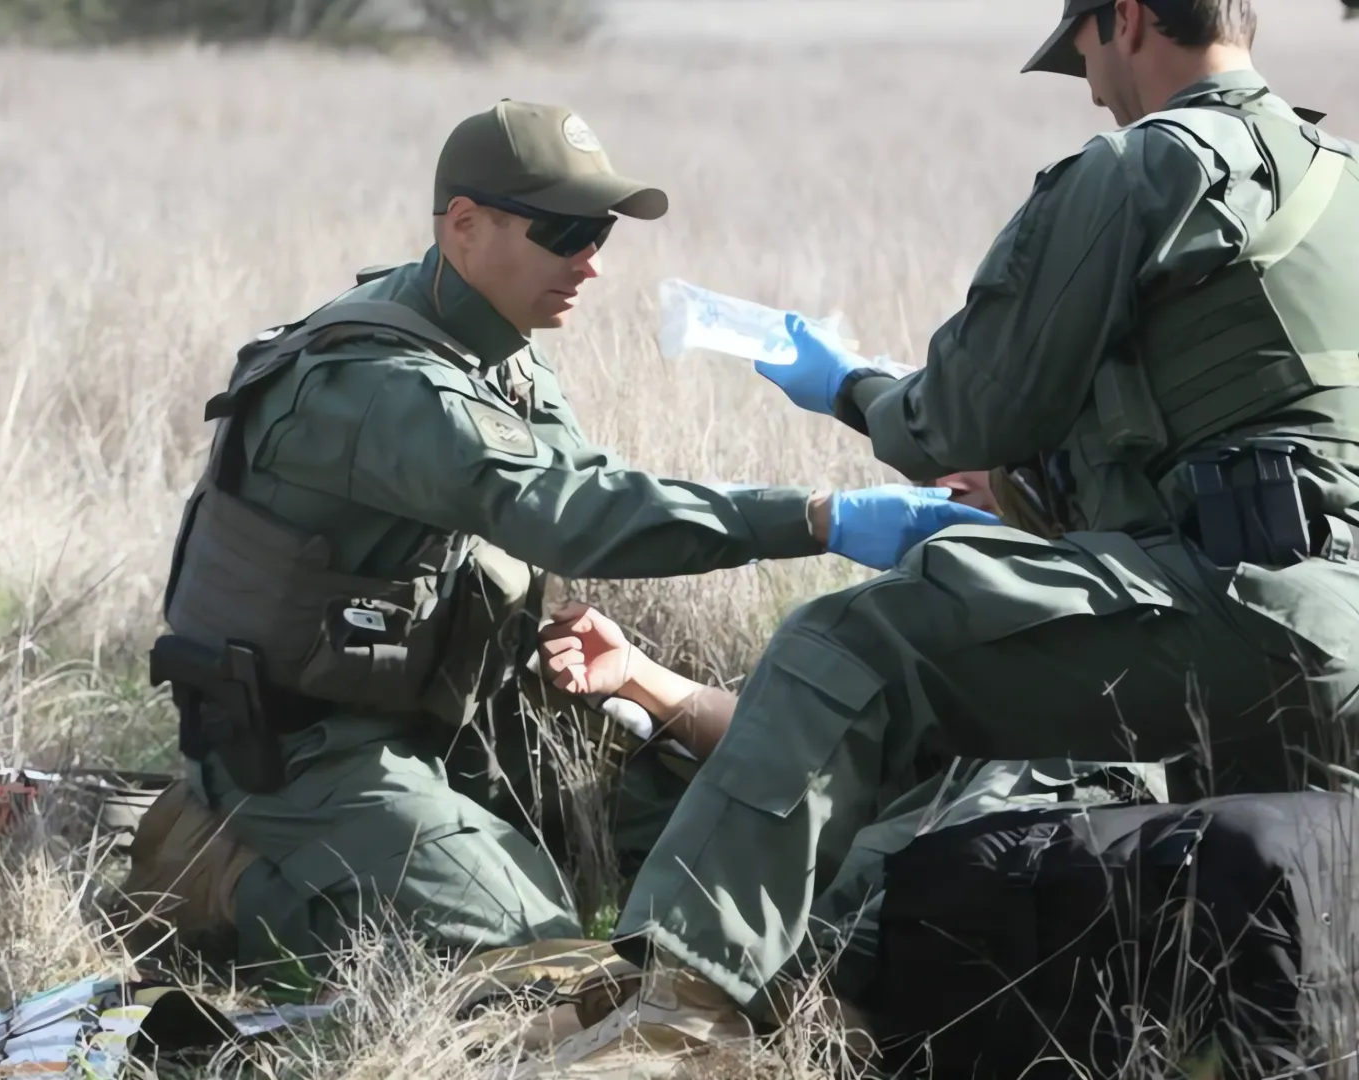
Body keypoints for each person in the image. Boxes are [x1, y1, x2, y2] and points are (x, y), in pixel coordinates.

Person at [569, 0, 1359, 1062]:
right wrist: (1040, 500)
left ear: (1124, 18)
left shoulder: (1148, 168)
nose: (1087, 82)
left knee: (849, 647)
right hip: (1332, 631)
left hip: (1251, 612)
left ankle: (679, 1019)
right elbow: (1259, 435)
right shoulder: (1340, 179)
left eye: (1080, 48)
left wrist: (849, 386)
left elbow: (968, 410)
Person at [115, 99, 997, 982]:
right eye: (566, 232)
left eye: (601, 232)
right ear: (465, 226)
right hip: (311, 747)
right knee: (533, 959)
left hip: (451, 712)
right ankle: (220, 875)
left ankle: (429, 848)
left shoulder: (488, 341)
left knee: (727, 826)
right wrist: (820, 520)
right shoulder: (380, 387)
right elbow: (571, 513)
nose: (592, 263)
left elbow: (588, 483)